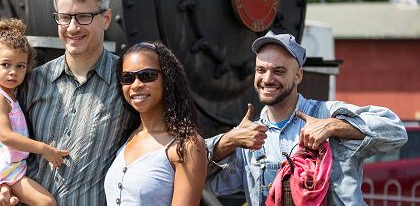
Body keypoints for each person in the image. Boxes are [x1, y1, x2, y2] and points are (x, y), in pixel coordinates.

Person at [205, 31, 408, 206]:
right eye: (261, 70)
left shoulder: (327, 114)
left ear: (298, 75)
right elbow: (196, 176)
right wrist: (228, 141)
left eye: (279, 71)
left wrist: (334, 126)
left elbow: (396, 131)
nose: (267, 79)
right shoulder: (247, 137)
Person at [0, 0, 133, 205]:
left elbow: (156, 141)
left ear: (105, 18)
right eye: (64, 17)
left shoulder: (127, 82)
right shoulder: (30, 82)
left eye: (83, 17)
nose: (72, 28)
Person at [0, 18, 69, 206]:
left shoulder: (12, 96)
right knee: (46, 203)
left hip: (12, 170)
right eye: (6, 64)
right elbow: (5, 136)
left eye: (20, 66)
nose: (13, 72)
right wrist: (44, 149)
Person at [104, 42, 207, 205]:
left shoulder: (186, 145)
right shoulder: (127, 136)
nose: (136, 85)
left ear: (167, 79)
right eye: (127, 78)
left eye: (147, 75)